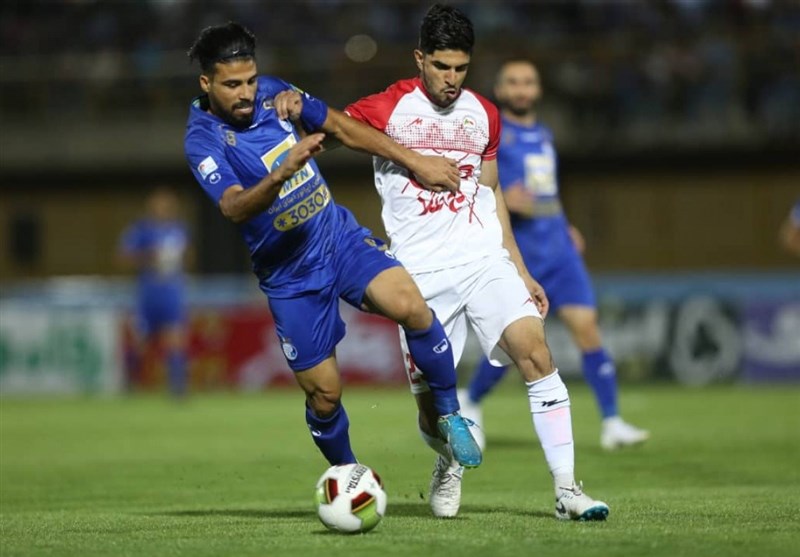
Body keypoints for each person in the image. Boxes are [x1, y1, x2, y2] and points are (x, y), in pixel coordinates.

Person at [342, 4, 608, 520]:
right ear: (420, 58)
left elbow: (491, 194)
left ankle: (567, 491)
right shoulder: (390, 107)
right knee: (431, 413)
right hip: (419, 275)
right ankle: (447, 462)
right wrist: (408, 157)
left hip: (484, 260)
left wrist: (520, 268)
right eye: (441, 66)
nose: (451, 78)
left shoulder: (484, 114)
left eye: (460, 68)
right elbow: (338, 129)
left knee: (537, 354)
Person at [183, 22, 481, 474]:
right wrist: (281, 174)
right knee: (325, 394)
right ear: (207, 83)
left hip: (336, 238)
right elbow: (233, 207)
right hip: (289, 275)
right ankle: (350, 474)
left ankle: (449, 413)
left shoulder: (275, 93)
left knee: (413, 307)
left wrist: (416, 162)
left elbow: (343, 126)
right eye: (232, 85)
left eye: (250, 80)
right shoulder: (202, 140)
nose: (246, 93)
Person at [458, 59, 650, 452]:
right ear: (500, 89)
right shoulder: (493, 134)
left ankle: (612, 422)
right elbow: (481, 187)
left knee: (588, 329)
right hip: (524, 255)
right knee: (517, 344)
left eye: (528, 82)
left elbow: (547, 192)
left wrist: (565, 225)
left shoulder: (544, 134)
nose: (521, 89)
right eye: (513, 82)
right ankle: (471, 398)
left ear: (538, 89)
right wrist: (502, 199)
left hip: (560, 253)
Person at [117, 187, 191, 397]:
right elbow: (123, 257)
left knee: (175, 339)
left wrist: (178, 261)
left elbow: (188, 257)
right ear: (152, 206)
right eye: (159, 204)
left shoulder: (179, 229)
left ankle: (177, 390)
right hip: (148, 294)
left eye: (167, 204)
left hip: (171, 293)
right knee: (140, 342)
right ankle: (130, 383)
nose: (163, 208)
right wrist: (150, 256)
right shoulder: (141, 229)